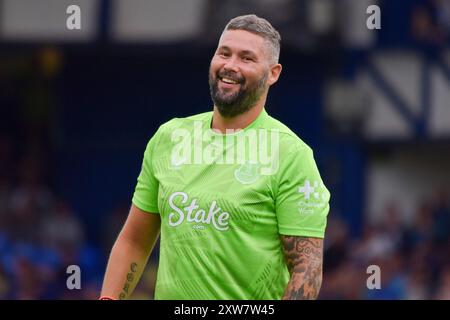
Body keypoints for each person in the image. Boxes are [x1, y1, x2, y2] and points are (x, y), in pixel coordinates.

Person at [100, 14, 330, 300]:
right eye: (224, 53)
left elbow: (307, 268)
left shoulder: (291, 155)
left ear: (273, 73)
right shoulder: (168, 138)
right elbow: (134, 240)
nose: (230, 66)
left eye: (247, 58)